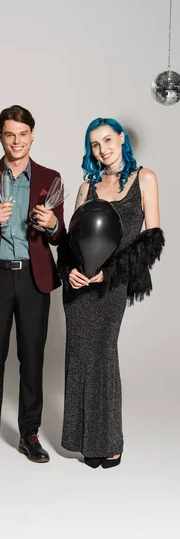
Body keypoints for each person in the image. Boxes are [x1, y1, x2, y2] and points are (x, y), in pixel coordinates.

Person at [58, 117, 164, 468]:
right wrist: (70, 271)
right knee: (79, 357)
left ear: (121, 138)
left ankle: (110, 441)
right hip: (79, 289)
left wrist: (108, 274)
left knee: (102, 354)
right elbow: (70, 244)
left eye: (106, 140)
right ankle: (85, 441)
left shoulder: (144, 179)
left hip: (112, 284)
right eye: (94, 144)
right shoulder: (86, 188)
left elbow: (152, 240)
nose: (102, 149)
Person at [0, 105, 66, 465]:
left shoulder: (49, 178)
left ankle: (30, 435)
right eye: (10, 134)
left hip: (33, 279)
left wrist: (53, 222)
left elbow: (61, 238)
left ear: (33, 135)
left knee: (32, 360)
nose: (17, 141)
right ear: (0, 137)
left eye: (23, 134)